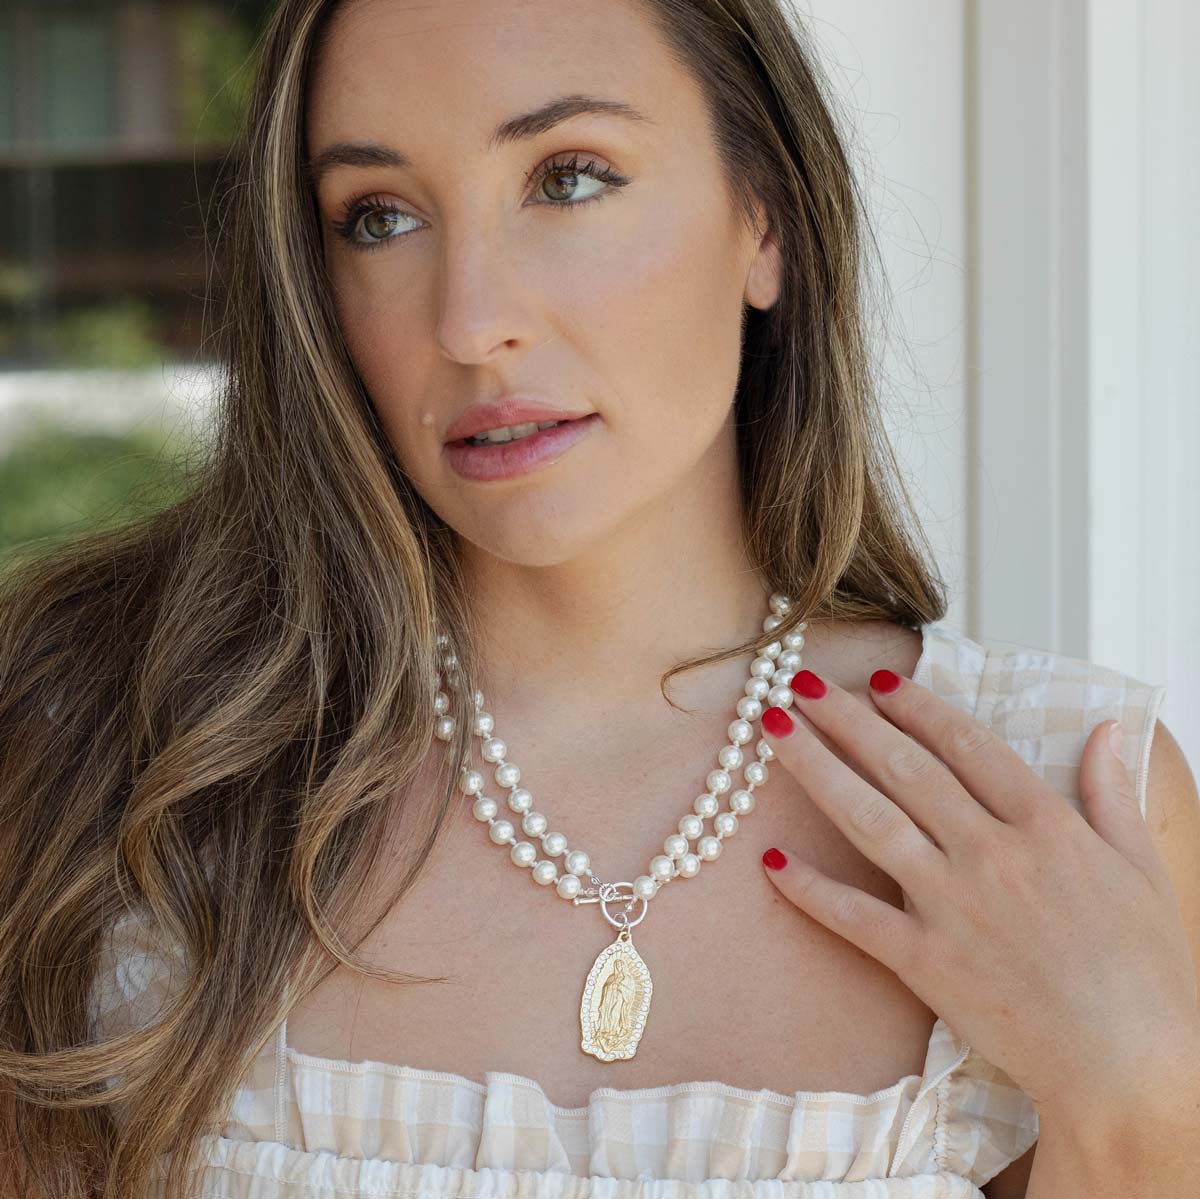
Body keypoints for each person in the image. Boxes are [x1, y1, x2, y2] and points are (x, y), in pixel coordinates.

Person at [1, 1, 1196, 1197]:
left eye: (568, 179)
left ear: (764, 215)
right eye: (380, 216)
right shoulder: (119, 764)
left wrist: (1142, 1100)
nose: (471, 321)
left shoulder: (1064, 804)